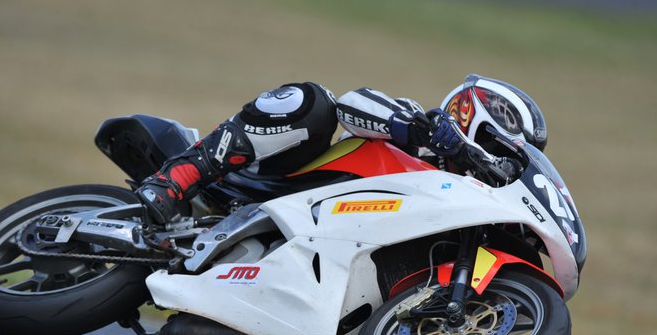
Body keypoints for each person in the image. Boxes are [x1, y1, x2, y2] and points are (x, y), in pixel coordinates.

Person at [137, 75, 547, 225]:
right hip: (279, 182)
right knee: (313, 102)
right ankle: (175, 180)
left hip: (321, 235)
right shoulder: (419, 125)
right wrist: (420, 131)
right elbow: (352, 104)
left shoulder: (461, 205)